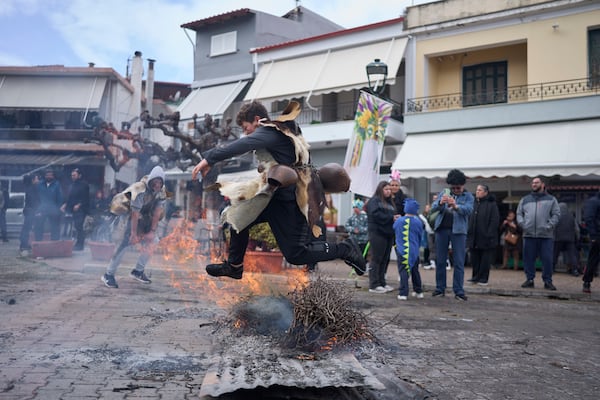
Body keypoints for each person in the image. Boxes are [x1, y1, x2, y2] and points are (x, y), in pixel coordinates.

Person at [191, 100, 366, 280]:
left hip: (291, 202)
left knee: (296, 255)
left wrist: (209, 159)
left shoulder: (271, 131)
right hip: (273, 197)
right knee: (238, 217)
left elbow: (243, 145)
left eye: (245, 127)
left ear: (257, 120)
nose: (245, 133)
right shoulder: (279, 135)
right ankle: (235, 266)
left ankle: (346, 248)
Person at [101, 166, 167, 289]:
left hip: (145, 217)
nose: (157, 185)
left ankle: (138, 271)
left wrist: (152, 232)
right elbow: (134, 214)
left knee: (154, 241)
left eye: (160, 182)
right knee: (125, 244)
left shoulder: (162, 191)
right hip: (129, 218)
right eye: (155, 181)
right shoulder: (139, 189)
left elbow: (158, 211)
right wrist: (133, 234)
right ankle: (108, 274)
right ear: (151, 180)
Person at [430, 169, 474, 300]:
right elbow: (433, 207)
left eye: (458, 187)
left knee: (459, 261)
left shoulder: (468, 196)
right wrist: (440, 202)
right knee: (441, 260)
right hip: (442, 229)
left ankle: (459, 291)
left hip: (459, 231)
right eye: (453, 187)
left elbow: (469, 210)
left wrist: (456, 206)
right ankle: (440, 288)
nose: (456, 190)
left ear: (463, 185)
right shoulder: (445, 192)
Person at [516, 176, 560, 290]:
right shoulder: (525, 199)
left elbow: (556, 214)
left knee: (547, 259)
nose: (534, 184)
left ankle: (548, 281)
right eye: (533, 183)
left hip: (546, 236)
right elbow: (519, 214)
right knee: (528, 259)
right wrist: (523, 224)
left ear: (543, 184)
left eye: (536, 182)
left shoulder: (551, 199)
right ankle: (529, 280)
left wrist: (549, 226)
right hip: (529, 234)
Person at [366, 181, 398, 293]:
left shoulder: (390, 203)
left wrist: (395, 217)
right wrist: (391, 218)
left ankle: (382, 282)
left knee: (385, 259)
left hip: (388, 234)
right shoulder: (374, 201)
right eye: (386, 189)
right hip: (377, 233)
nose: (389, 191)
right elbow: (375, 215)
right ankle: (374, 284)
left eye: (390, 189)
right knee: (376, 258)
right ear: (381, 190)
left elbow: (391, 215)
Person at [467, 184, 499, 285]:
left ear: (485, 192)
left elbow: (494, 221)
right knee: (475, 258)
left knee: (485, 259)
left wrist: (489, 234)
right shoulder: (474, 203)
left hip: (486, 237)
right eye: (477, 190)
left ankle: (483, 278)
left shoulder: (491, 204)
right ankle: (475, 276)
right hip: (474, 236)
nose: (477, 192)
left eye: (480, 190)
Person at [393, 198, 424, 300]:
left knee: (403, 271)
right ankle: (418, 291)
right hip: (414, 251)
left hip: (402, 251)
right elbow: (420, 236)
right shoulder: (418, 222)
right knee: (415, 271)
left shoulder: (399, 221)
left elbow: (395, 230)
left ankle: (403, 293)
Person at [61, 168, 90, 250]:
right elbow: (70, 198)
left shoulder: (84, 185)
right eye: (72, 175)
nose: (73, 177)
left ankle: (80, 244)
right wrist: (65, 205)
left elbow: (86, 197)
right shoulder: (72, 185)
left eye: (74, 175)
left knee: (79, 226)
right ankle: (77, 243)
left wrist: (79, 205)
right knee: (76, 226)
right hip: (73, 209)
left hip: (81, 210)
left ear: (79, 175)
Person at [33, 168, 63, 241]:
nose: (48, 176)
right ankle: (38, 242)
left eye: (50, 175)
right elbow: (36, 197)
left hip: (53, 209)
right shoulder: (39, 184)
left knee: (55, 227)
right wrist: (36, 209)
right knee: (39, 226)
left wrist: (58, 209)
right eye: (47, 175)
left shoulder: (57, 184)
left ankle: (54, 243)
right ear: (45, 176)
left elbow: (59, 197)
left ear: (53, 176)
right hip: (41, 209)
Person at [552, 202, 580, 276]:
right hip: (570, 239)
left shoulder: (557, 216)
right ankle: (575, 270)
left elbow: (553, 228)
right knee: (572, 255)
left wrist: (552, 237)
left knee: (555, 254)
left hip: (558, 239)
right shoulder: (571, 216)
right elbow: (577, 229)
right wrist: (577, 237)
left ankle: (552, 269)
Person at [582, 191, 600, 293]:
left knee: (593, 259)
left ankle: (587, 282)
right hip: (597, 235)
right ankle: (587, 282)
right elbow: (589, 218)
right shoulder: (594, 201)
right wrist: (593, 235)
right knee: (593, 260)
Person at [19, 174, 40, 253]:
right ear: (33, 180)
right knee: (26, 228)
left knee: (26, 228)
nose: (38, 180)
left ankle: (23, 244)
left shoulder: (29, 188)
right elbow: (33, 201)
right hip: (30, 211)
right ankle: (23, 244)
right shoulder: (32, 188)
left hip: (29, 210)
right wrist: (37, 211)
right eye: (37, 178)